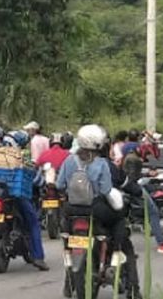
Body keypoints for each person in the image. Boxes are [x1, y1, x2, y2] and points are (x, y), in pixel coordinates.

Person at [58, 125, 139, 297]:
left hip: (71, 211)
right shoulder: (102, 163)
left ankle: (68, 282)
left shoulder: (69, 161)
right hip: (95, 210)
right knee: (119, 221)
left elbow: (59, 185)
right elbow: (106, 189)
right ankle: (120, 259)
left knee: (68, 240)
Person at [0, 130, 48, 270]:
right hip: (15, 196)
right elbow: (35, 178)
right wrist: (43, 183)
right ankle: (38, 257)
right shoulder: (19, 157)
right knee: (33, 223)